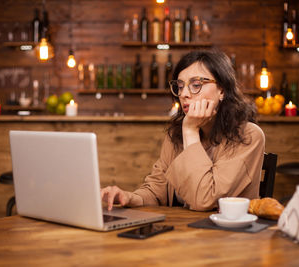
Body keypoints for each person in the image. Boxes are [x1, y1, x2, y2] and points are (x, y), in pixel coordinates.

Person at [101, 49, 265, 211]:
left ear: (222, 90)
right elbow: (157, 190)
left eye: (196, 85)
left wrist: (190, 131)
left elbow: (204, 200)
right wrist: (129, 197)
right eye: (180, 86)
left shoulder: (248, 135)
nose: (184, 94)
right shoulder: (176, 136)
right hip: (184, 233)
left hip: (229, 235)